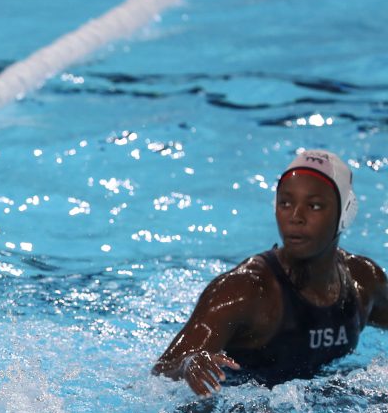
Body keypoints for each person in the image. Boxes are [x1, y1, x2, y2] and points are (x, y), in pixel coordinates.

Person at [153, 149, 388, 396]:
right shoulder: (244, 292)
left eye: (314, 206)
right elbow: (162, 371)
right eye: (286, 203)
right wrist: (190, 364)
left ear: (345, 213)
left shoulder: (363, 282)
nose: (296, 217)